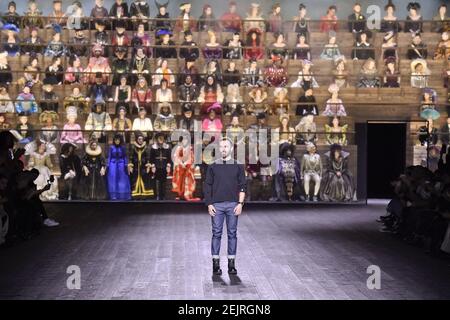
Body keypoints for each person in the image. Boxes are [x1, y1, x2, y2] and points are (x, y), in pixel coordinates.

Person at [203, 137, 246, 276]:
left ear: (231, 149)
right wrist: (209, 203)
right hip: (217, 205)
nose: (223, 149)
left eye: (226, 146)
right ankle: (215, 265)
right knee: (216, 234)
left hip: (233, 204)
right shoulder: (213, 166)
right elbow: (207, 186)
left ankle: (231, 265)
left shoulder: (238, 166)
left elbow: (242, 186)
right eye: (221, 147)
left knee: (232, 234)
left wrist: (240, 204)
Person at [128, 132, 154, 199]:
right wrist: (131, 164)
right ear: (137, 140)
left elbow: (148, 157)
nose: (140, 140)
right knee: (135, 179)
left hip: (143, 167)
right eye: (139, 139)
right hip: (136, 167)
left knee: (145, 179)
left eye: (141, 139)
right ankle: (136, 194)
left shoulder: (146, 147)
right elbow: (131, 156)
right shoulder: (133, 147)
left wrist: (148, 164)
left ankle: (144, 194)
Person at [107, 134, 131, 200]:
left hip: (121, 164)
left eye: (118, 140)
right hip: (113, 164)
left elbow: (125, 156)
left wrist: (126, 164)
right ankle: (113, 195)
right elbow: (109, 156)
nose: (117, 141)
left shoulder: (123, 147)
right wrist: (108, 165)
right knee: (113, 178)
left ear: (120, 140)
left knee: (122, 178)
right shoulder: (111, 147)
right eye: (115, 140)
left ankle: (122, 195)